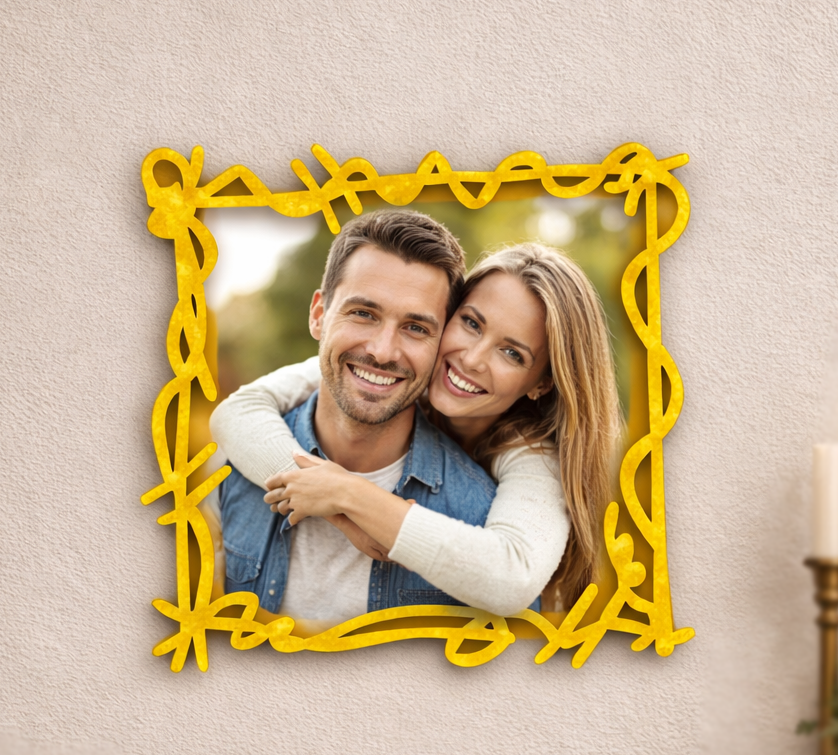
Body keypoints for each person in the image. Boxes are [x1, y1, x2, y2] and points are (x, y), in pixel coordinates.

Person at [212, 238, 621, 619]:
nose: (473, 359)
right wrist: (336, 506)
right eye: (472, 324)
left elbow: (511, 576)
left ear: (542, 383)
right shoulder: (388, 371)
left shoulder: (532, 456)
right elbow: (238, 411)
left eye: (512, 353)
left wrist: (350, 493)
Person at [212, 209, 498, 625]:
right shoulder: (226, 473)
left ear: (441, 347)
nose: (382, 351)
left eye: (416, 328)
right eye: (363, 313)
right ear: (318, 315)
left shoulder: (480, 519)